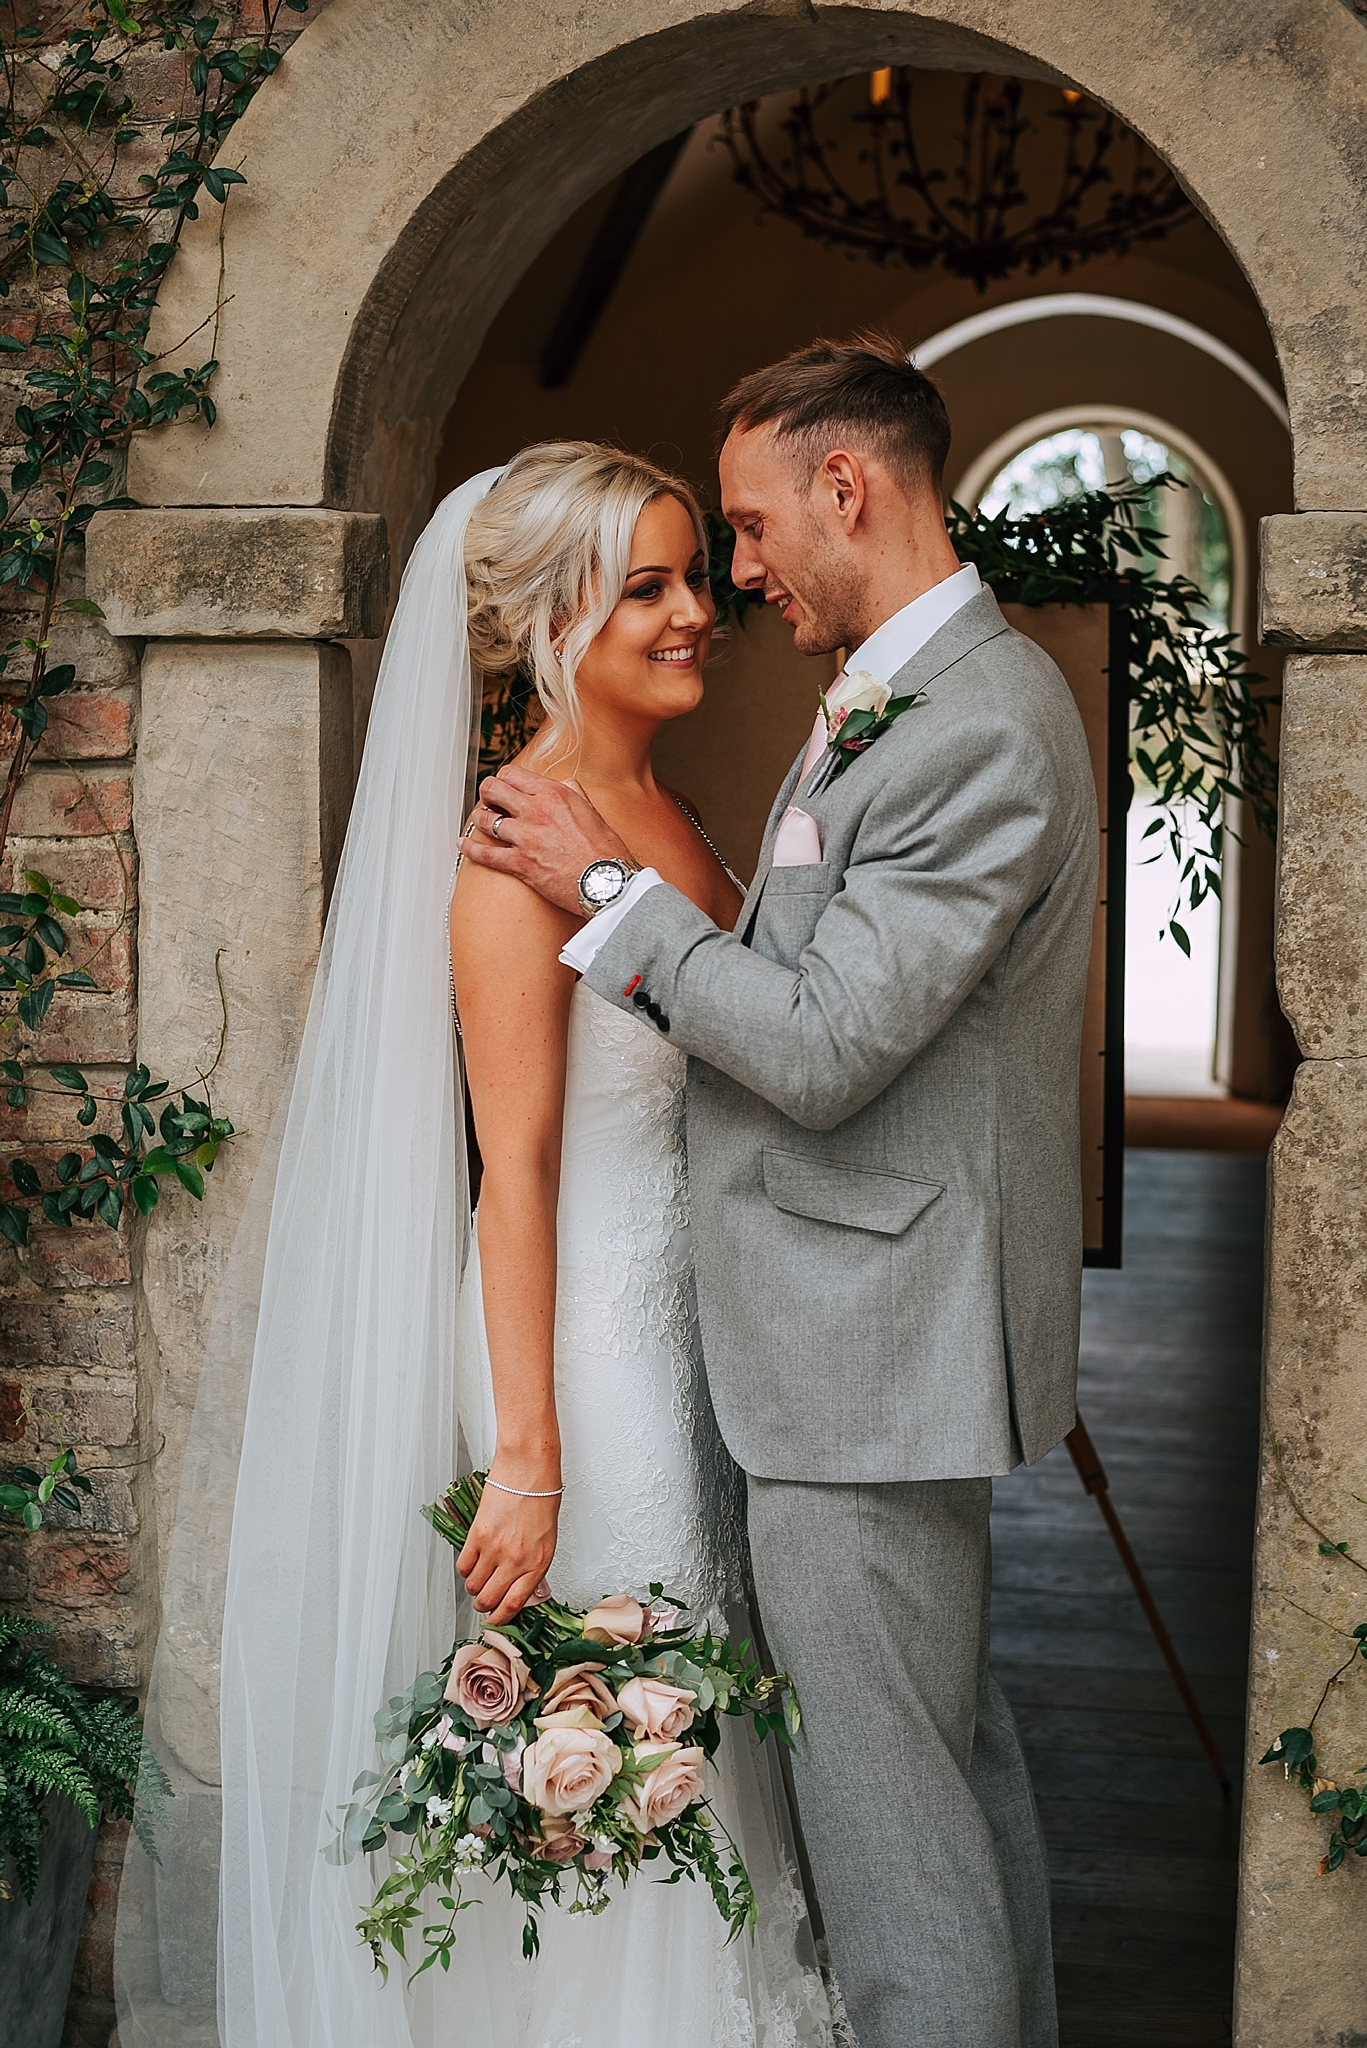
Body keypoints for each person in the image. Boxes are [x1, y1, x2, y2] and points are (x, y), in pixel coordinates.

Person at [123, 445, 839, 2048]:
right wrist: (527, 1455)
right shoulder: (518, 851)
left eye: (689, 576)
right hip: (584, 1353)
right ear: (552, 618)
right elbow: (508, 1173)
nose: (694, 612)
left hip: (694, 1336)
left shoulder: (659, 806)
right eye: (644, 586)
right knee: (619, 1743)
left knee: (693, 1717)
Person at [462, 337, 1100, 2048]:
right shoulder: (914, 691)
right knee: (934, 1799)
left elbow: (825, 1047)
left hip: (862, 1355)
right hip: (829, 1343)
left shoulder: (974, 721)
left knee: (902, 1849)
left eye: (743, 532)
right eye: (677, 568)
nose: (735, 583)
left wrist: (602, 885)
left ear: (847, 486)